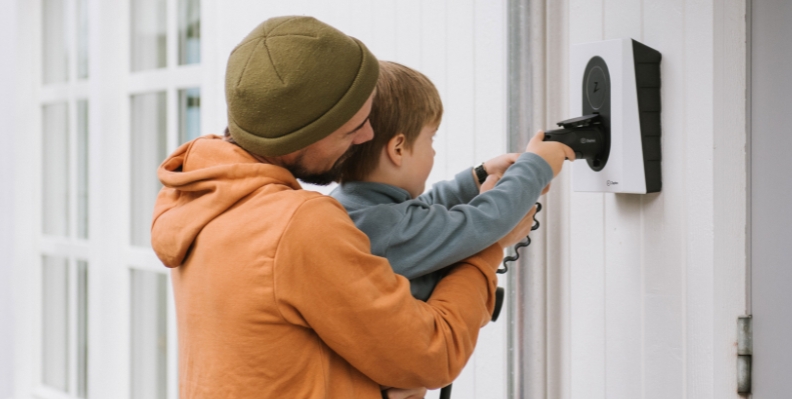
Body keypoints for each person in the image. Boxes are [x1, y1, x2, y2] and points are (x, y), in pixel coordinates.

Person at [150, 16, 570, 399]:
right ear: (303, 132)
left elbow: (295, 346)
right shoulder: (300, 225)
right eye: (354, 126)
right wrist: (489, 248)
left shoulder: (209, 199)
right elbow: (433, 356)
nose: (366, 136)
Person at [331, 61, 570, 302]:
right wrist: (537, 166)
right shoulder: (385, 228)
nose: (433, 151)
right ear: (398, 149)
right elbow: (483, 222)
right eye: (430, 138)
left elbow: (419, 215)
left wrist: (478, 176)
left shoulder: (353, 206)